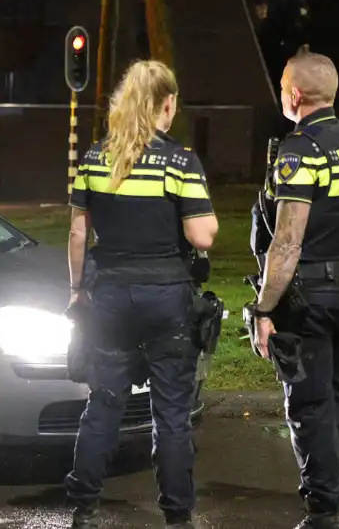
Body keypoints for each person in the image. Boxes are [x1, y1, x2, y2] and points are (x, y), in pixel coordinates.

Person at [65, 60, 219, 529]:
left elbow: (77, 234)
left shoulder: (95, 158)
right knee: (171, 413)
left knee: (104, 403)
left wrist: (76, 291)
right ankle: (177, 515)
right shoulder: (180, 161)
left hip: (110, 296)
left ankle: (84, 506)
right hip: (167, 298)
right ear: (166, 105)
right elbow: (201, 235)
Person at [253, 47, 339, 529]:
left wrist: (264, 309)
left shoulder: (299, 150)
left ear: (294, 94)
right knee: (337, 399)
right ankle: (337, 498)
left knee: (308, 405)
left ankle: (324, 512)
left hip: (307, 298)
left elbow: (286, 242)